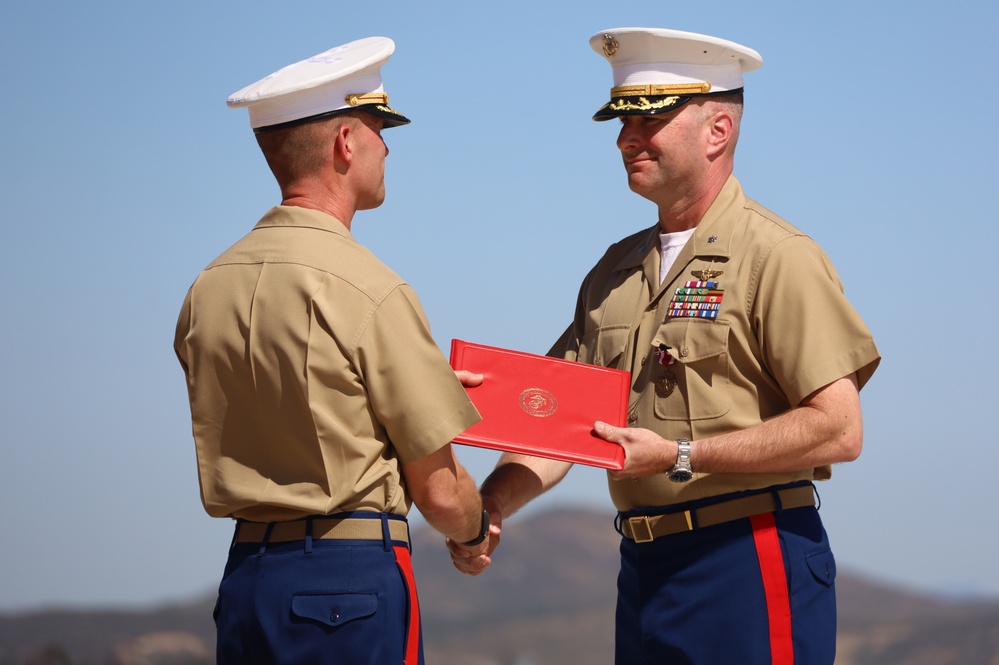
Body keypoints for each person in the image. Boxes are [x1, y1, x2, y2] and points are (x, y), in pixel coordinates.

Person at [449, 27, 880, 664]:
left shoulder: (777, 258)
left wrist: (681, 454)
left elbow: (839, 430)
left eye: (649, 118)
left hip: (747, 555)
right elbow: (564, 425)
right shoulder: (613, 272)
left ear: (717, 131)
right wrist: (492, 501)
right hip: (644, 566)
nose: (626, 137)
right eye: (623, 119)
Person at [174, 36, 491, 665]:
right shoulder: (370, 287)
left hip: (246, 581)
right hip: (349, 586)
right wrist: (477, 531)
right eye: (378, 127)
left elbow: (298, 395)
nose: (388, 145)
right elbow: (442, 496)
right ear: (347, 143)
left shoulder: (208, 286)